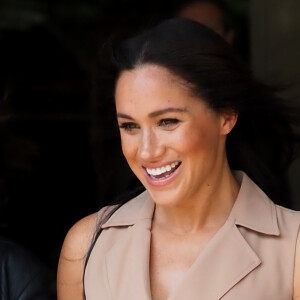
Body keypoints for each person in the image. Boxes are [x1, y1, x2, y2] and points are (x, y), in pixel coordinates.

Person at [57, 18, 300, 299]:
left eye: (168, 121)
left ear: (226, 116)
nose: (147, 151)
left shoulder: (292, 247)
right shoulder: (87, 244)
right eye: (130, 126)